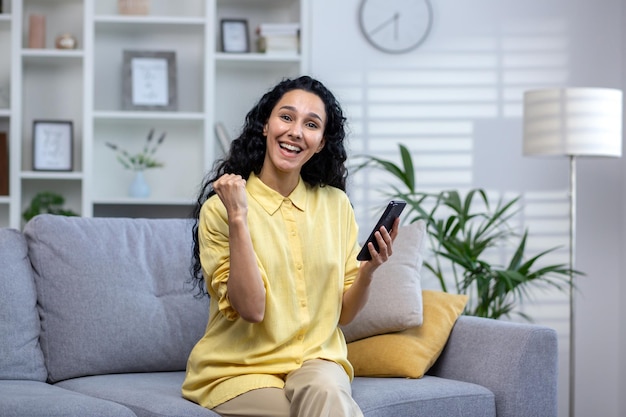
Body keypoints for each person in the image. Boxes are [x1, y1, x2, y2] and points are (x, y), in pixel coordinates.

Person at [182, 75, 399, 417]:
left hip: (317, 362)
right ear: (266, 125)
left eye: (311, 124)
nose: (296, 131)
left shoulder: (336, 205)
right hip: (241, 371)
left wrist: (369, 271)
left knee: (327, 391)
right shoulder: (222, 208)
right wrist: (239, 217)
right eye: (286, 117)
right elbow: (252, 310)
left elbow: (343, 314)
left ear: (321, 142)